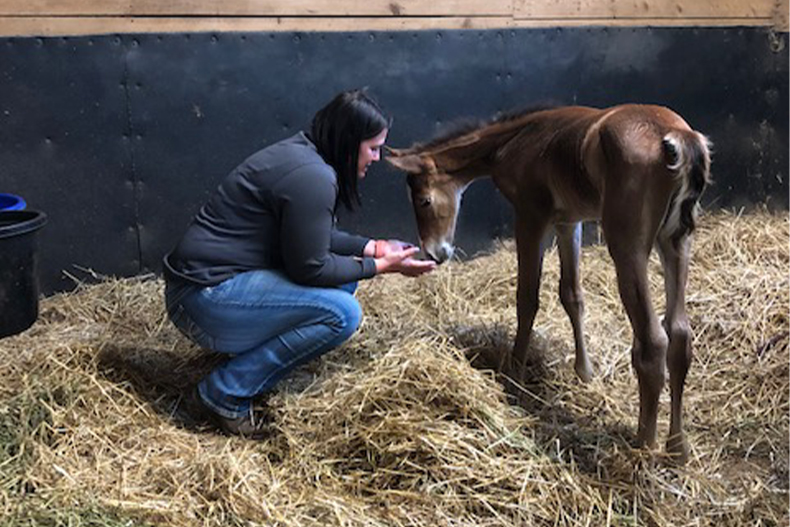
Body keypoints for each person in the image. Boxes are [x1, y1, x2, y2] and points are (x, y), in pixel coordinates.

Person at [163, 89, 435, 438]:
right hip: (203, 300)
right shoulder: (313, 176)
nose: (377, 157)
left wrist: (375, 247)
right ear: (349, 142)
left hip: (209, 290)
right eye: (373, 148)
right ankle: (224, 393)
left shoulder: (305, 156)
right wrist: (383, 267)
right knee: (342, 314)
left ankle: (249, 368)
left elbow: (312, 235)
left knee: (342, 284)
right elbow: (310, 267)